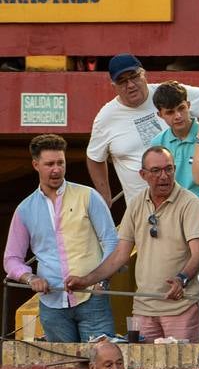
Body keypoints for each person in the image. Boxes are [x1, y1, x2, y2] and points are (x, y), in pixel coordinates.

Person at [70, 147, 199, 343]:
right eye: (156, 170)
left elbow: (198, 253)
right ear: (143, 175)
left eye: (169, 169)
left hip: (180, 307)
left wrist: (181, 279)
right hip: (143, 308)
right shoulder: (136, 203)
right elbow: (120, 255)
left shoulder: (189, 202)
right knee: (142, 367)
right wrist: (87, 280)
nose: (164, 176)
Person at [4, 134, 118, 344]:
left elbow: (111, 241)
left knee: (102, 359)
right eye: (49, 164)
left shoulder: (88, 196)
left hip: (92, 298)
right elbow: (11, 258)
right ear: (36, 165)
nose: (56, 169)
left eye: (60, 163)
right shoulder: (25, 209)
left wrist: (101, 281)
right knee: (61, 368)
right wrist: (31, 279)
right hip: (51, 303)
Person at [87, 54, 199, 205]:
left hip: (190, 200)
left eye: (134, 76)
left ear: (144, 74)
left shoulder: (166, 92)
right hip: (142, 209)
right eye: (122, 81)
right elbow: (94, 157)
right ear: (113, 85)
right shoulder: (105, 117)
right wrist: (105, 197)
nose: (130, 85)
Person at [148, 81, 199, 238]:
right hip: (173, 230)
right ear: (160, 115)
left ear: (188, 105)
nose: (178, 116)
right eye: (170, 112)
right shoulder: (157, 143)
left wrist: (180, 211)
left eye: (181, 108)